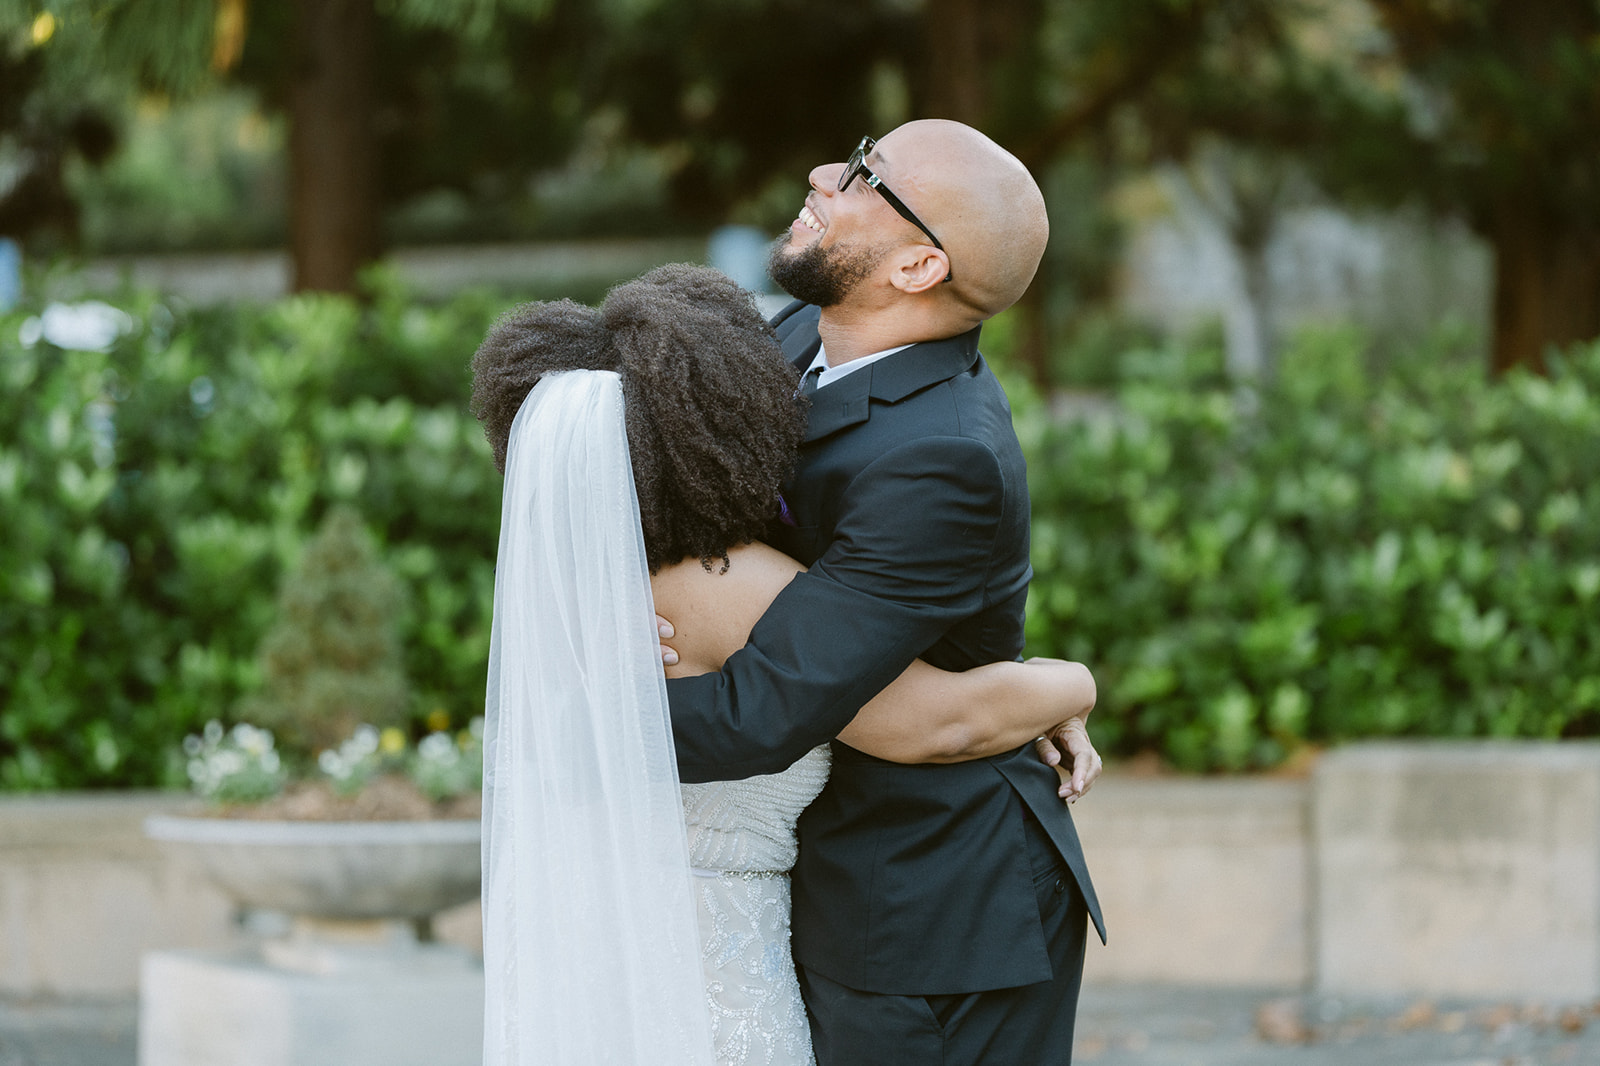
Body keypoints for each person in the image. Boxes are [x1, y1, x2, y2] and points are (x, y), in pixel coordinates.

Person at [471, 264, 1099, 1066]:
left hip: (607, 963)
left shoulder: (569, 588)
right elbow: (936, 719)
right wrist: (1075, 684)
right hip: (725, 980)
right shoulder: (730, 586)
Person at [660, 120, 1106, 1066]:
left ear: (916, 268)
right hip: (812, 858)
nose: (824, 172)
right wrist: (1041, 687)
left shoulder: (942, 457)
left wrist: (568, 720)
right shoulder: (789, 339)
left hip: (929, 909)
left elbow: (760, 711)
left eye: (866, 176)